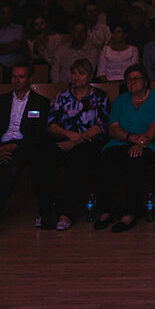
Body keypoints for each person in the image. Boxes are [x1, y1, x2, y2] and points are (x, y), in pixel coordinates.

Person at [0, 64, 51, 237]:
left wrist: (15, 146)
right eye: (14, 76)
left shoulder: (41, 102)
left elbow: (39, 134)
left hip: (23, 146)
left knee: (12, 170)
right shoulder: (0, 101)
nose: (16, 80)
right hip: (0, 145)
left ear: (30, 79)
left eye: (21, 77)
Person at [97, 64, 155, 233]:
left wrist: (140, 142)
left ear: (146, 81)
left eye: (136, 78)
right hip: (121, 142)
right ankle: (106, 210)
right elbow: (113, 128)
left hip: (149, 143)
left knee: (135, 160)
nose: (132, 81)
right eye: (129, 79)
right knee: (106, 158)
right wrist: (131, 138)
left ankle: (130, 213)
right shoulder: (120, 100)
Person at [39, 59, 109, 231]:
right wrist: (69, 135)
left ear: (90, 76)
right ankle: (46, 211)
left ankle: (67, 213)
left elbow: (101, 126)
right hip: (64, 138)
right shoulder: (62, 96)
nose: (76, 77)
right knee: (42, 158)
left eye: (81, 73)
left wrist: (76, 141)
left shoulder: (100, 96)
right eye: (74, 73)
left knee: (77, 159)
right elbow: (51, 124)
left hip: (89, 141)